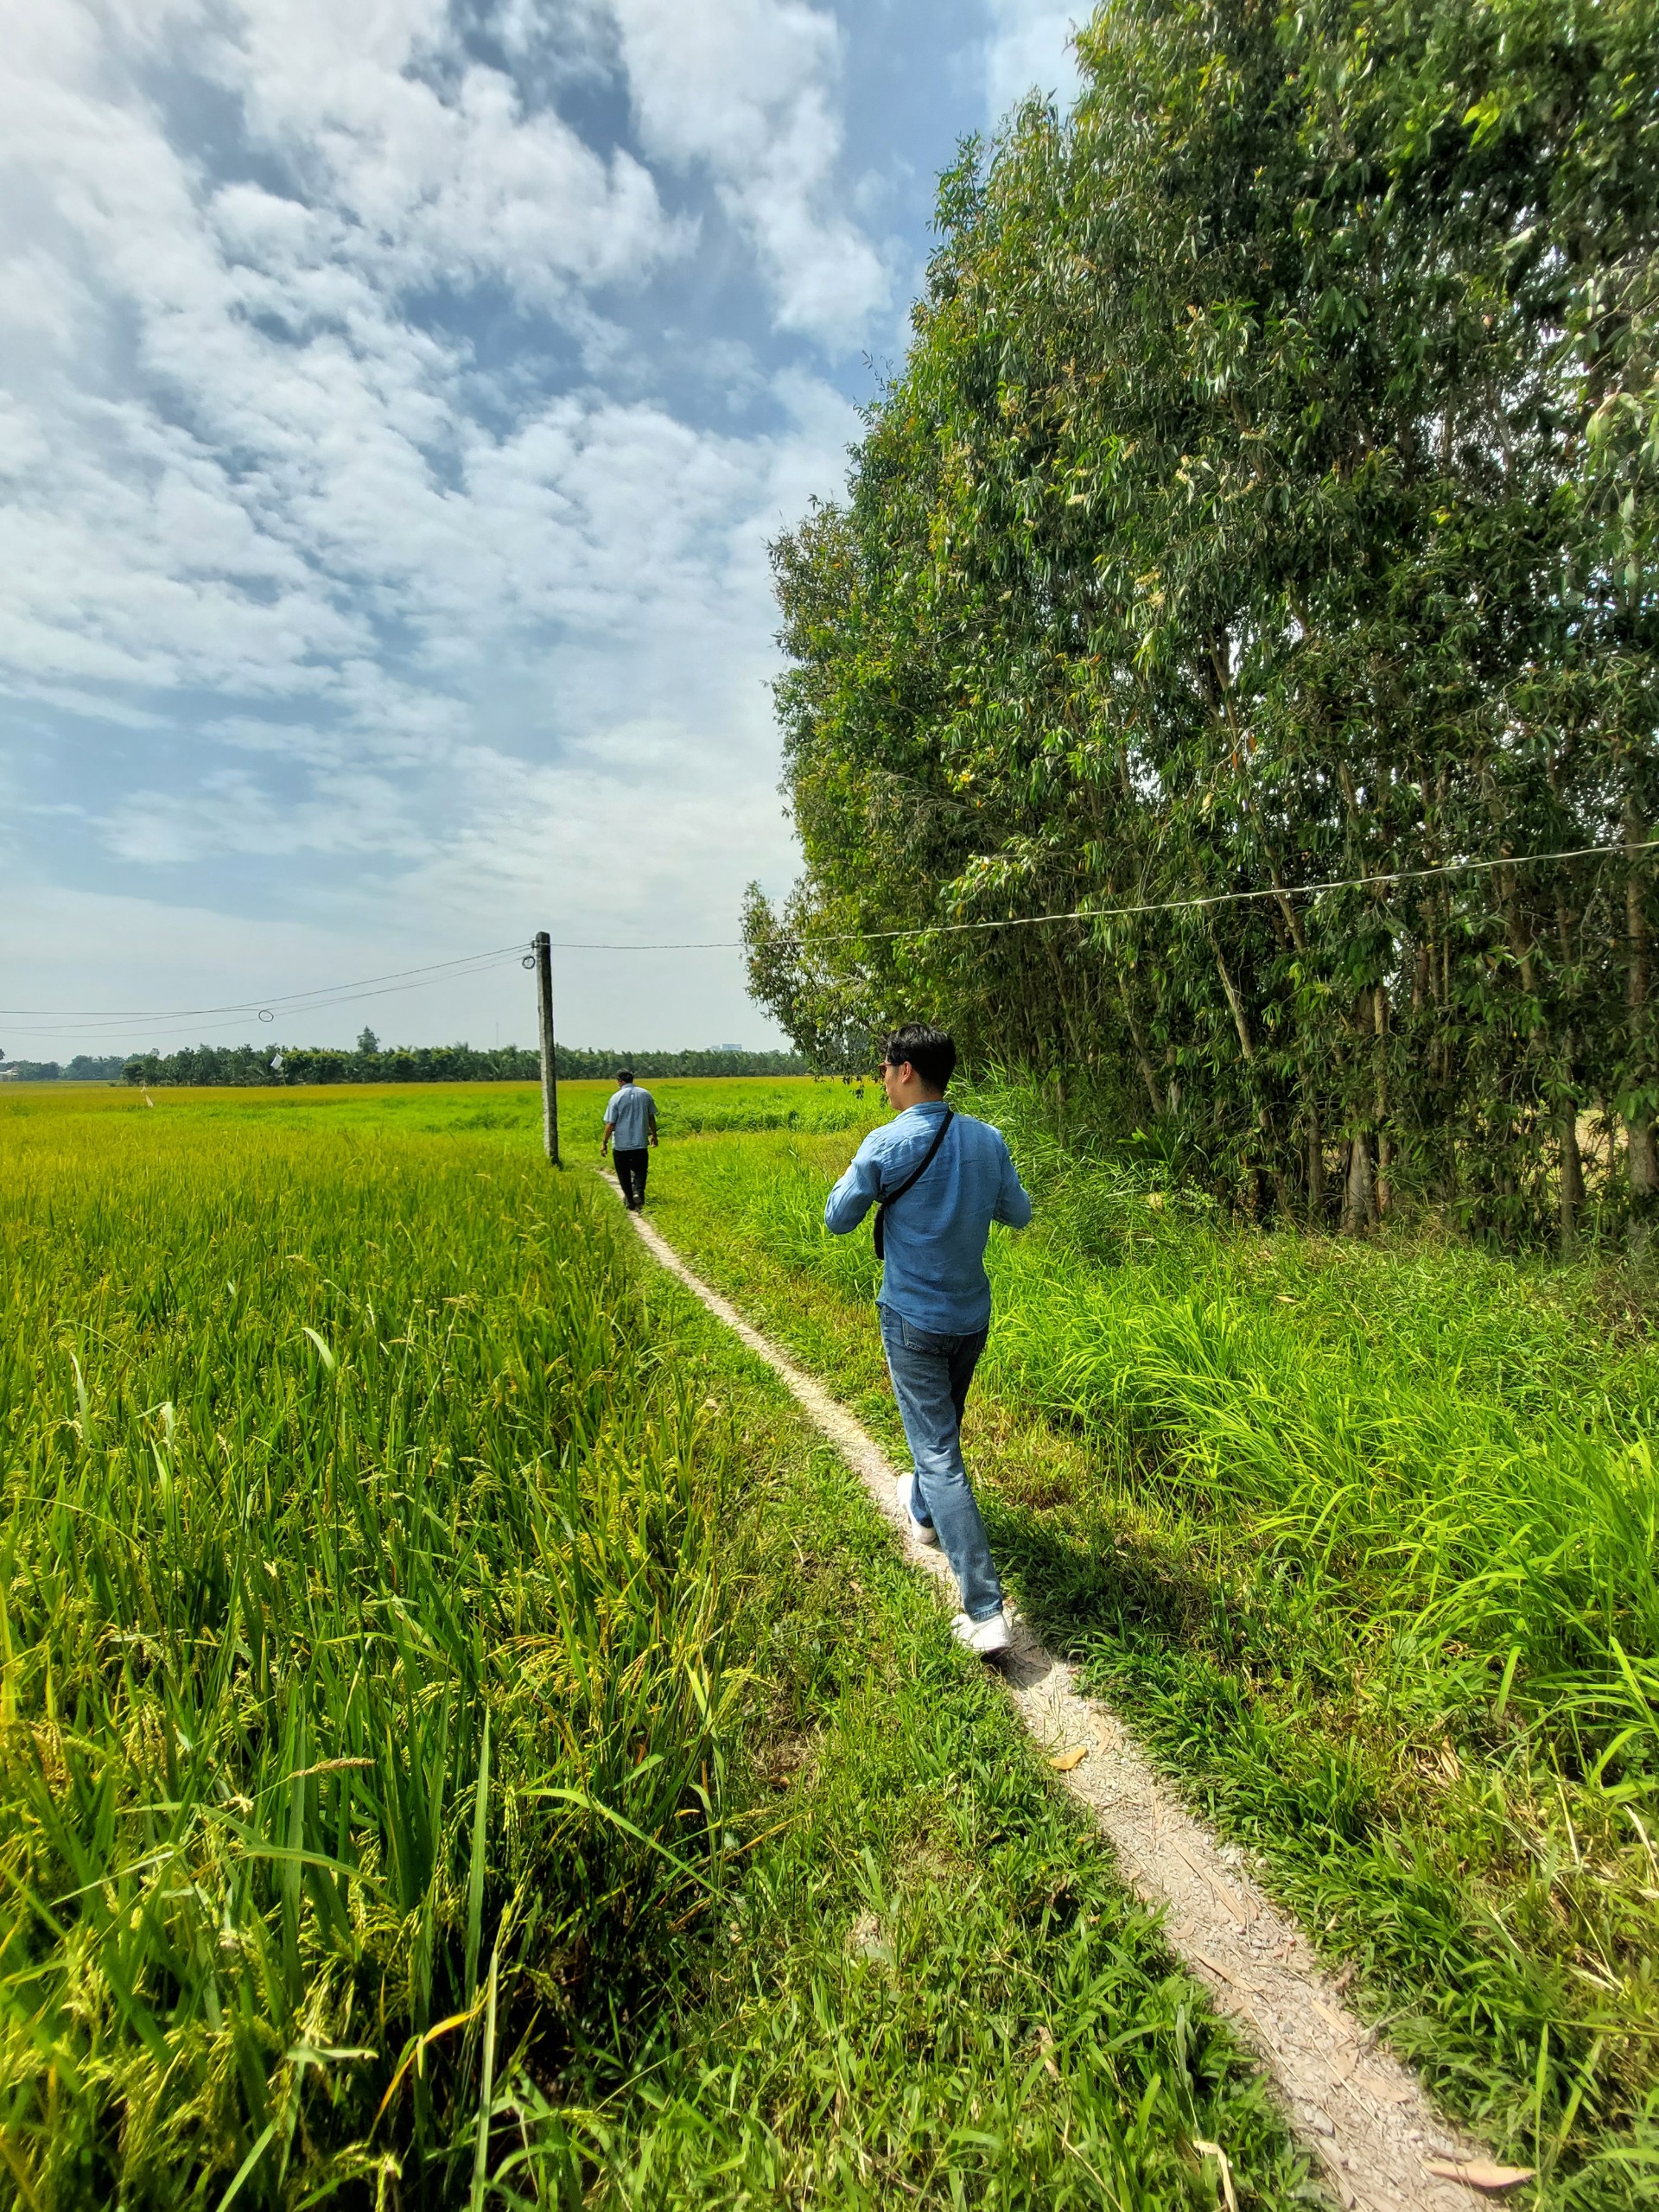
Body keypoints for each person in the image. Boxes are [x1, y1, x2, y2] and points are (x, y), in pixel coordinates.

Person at [823, 1022, 1032, 1656]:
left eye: (885, 1068)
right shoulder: (987, 1139)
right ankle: (921, 1512)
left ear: (907, 1070)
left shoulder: (885, 1144)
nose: (883, 1079)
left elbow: (838, 1218)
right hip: (971, 1318)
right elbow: (1018, 1213)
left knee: (939, 1453)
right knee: (940, 1437)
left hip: (913, 1321)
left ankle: (984, 1610)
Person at [601, 1067, 658, 1209]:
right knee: (640, 1171)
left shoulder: (616, 1097)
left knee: (623, 1173)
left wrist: (604, 1142)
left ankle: (629, 1201)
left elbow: (611, 1123)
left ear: (620, 1081)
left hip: (621, 1143)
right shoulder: (645, 1094)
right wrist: (654, 1135)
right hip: (640, 1142)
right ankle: (638, 1193)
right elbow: (651, 1117)